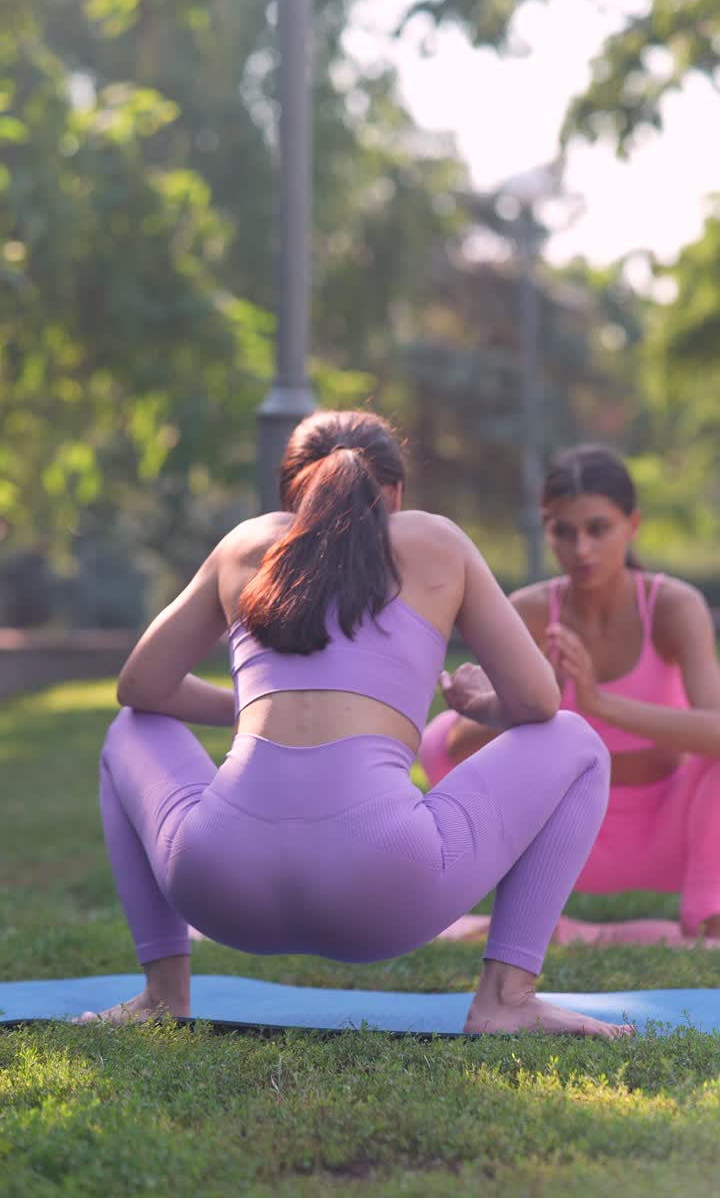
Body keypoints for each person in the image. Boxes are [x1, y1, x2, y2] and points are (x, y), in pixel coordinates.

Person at [76, 412, 630, 1038]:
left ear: (294, 496)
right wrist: (482, 706)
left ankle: (162, 994)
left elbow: (140, 688)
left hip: (220, 882)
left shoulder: (246, 544)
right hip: (383, 888)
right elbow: (540, 702)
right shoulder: (435, 541)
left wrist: (254, 708)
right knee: (578, 743)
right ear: (393, 494)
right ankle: (505, 998)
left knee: (131, 728)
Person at [421, 444, 720, 944]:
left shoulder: (672, 605)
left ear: (633, 525)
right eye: (564, 531)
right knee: (437, 736)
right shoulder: (532, 610)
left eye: (598, 529)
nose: (581, 548)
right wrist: (539, 696)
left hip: (665, 833)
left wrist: (601, 703)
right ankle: (517, 913)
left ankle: (709, 922)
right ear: (548, 531)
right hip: (561, 835)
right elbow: (454, 749)